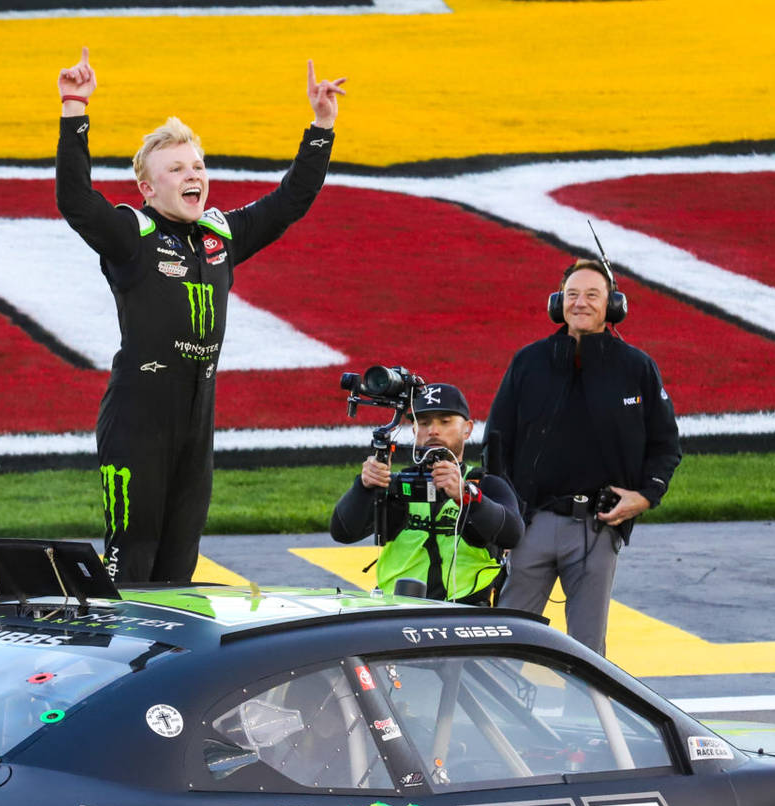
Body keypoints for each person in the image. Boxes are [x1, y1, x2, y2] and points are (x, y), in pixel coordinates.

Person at [55, 47, 347, 584]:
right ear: (148, 188)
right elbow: (75, 200)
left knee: (179, 571)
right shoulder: (131, 235)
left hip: (197, 425)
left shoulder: (220, 236)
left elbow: (289, 202)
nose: (194, 176)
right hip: (137, 423)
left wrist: (321, 127)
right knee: (132, 569)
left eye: (198, 166)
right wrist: (75, 106)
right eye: (176, 169)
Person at [482, 259, 680, 656]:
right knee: (503, 642)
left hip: (597, 527)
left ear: (613, 306)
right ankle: (496, 719)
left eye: (593, 295)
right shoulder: (528, 362)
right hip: (529, 526)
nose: (581, 303)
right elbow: (496, 445)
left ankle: (587, 720)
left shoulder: (637, 367)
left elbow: (665, 445)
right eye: (572, 294)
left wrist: (645, 496)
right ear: (558, 303)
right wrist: (502, 521)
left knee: (588, 652)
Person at [329, 384, 523, 604]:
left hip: (466, 610)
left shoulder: (486, 485)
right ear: (414, 430)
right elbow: (342, 532)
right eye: (424, 423)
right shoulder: (394, 485)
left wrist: (466, 495)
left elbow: (513, 534)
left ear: (467, 429)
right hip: (397, 607)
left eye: (445, 421)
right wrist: (364, 487)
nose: (433, 430)